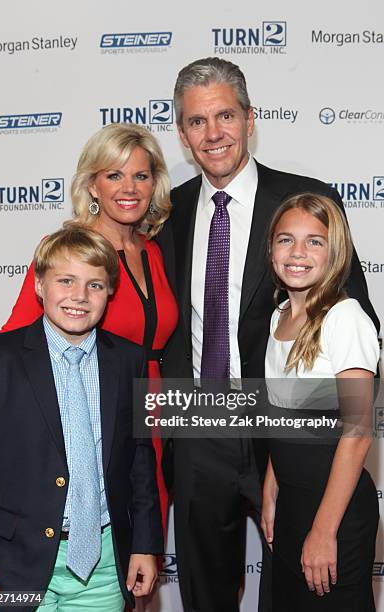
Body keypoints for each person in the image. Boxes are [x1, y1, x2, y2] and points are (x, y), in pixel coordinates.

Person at [156, 57, 379, 612]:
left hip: (284, 440)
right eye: (198, 121)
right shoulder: (168, 213)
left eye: (226, 115)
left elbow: (358, 322)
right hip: (198, 427)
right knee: (206, 592)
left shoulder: (306, 202)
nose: (214, 134)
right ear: (182, 133)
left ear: (250, 119)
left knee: (301, 588)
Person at [0, 123, 178, 535]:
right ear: (92, 186)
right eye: (114, 175)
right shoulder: (68, 249)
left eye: (141, 175)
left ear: (155, 184)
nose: (128, 187)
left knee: (141, 551)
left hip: (154, 422)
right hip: (88, 418)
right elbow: (14, 339)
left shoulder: (153, 250)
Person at [0, 225, 163, 612]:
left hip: (104, 565)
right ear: (40, 285)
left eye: (95, 285)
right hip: (15, 566)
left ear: (110, 291)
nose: (79, 296)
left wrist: (145, 544)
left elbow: (140, 460)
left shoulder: (129, 361)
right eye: (65, 281)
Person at [262, 193, 379, 611]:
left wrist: (324, 530)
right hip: (293, 506)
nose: (298, 252)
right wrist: (272, 488)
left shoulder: (345, 319)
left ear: (336, 252)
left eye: (315, 241)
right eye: (286, 239)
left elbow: (358, 433)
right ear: (271, 248)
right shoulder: (279, 317)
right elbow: (283, 416)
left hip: (336, 515)